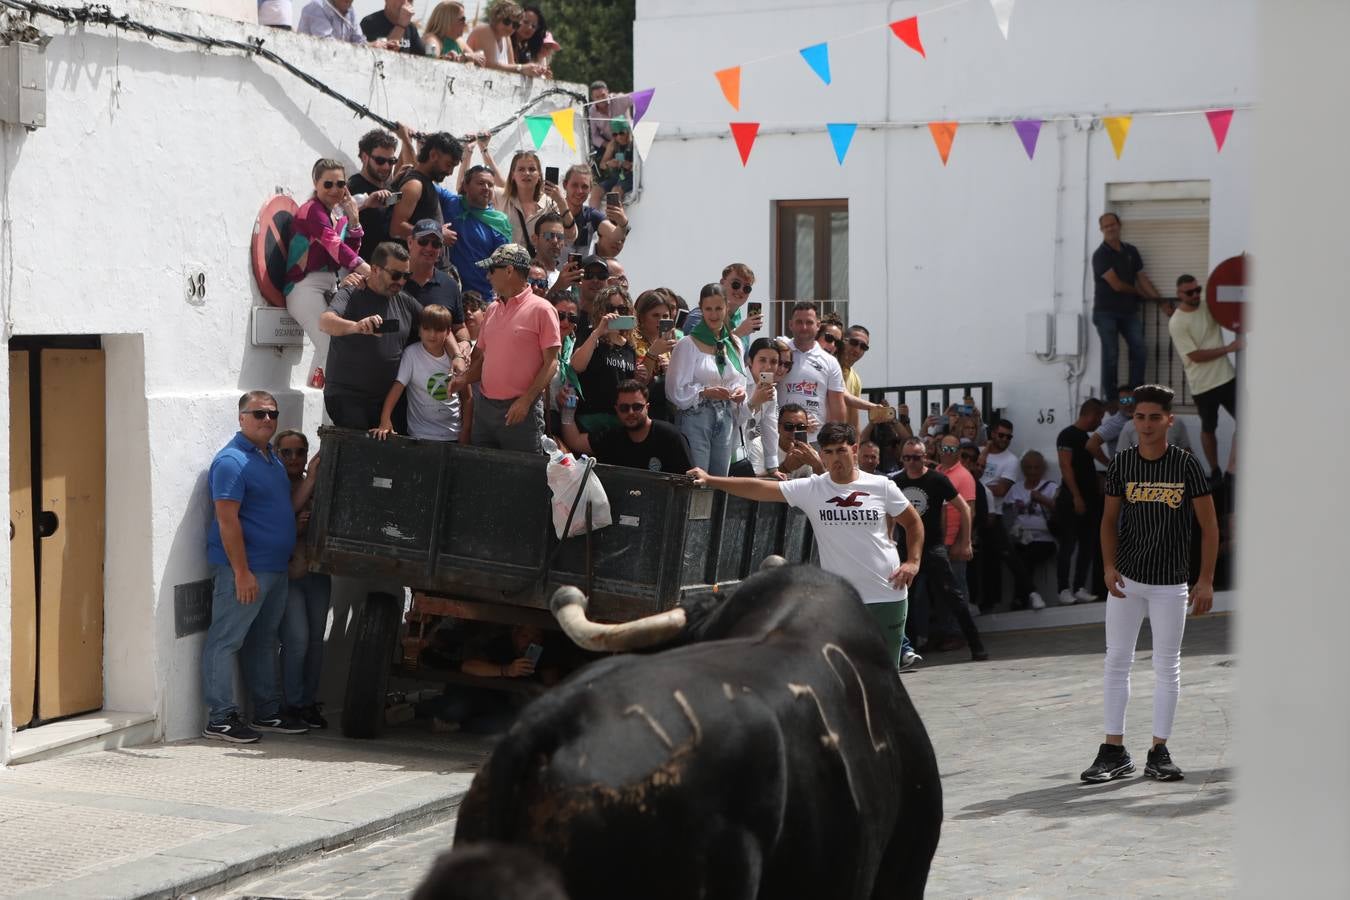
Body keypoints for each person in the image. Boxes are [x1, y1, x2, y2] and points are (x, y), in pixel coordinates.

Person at [688, 422, 925, 668]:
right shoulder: (813, 488)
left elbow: (913, 522)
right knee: (846, 675)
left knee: (887, 675)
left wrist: (913, 562)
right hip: (841, 600)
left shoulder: (881, 486)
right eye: (829, 452)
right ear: (821, 454)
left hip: (887, 592)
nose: (836, 458)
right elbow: (759, 488)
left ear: (854, 450)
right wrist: (711, 479)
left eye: (841, 450)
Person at [1081, 384, 1219, 784]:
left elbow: (1209, 528)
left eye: (1154, 417)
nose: (1146, 424)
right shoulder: (1122, 464)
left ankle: (1159, 751)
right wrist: (1108, 567)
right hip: (1127, 579)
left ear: (1169, 420)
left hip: (1170, 583)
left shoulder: (1186, 465)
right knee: (1116, 661)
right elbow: (1108, 521)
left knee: (1166, 666)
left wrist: (1205, 580)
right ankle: (1113, 751)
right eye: (1139, 417)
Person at [201, 392, 308, 743]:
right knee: (225, 641)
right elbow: (226, 520)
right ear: (241, 417)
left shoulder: (272, 459)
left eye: (272, 414)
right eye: (259, 413)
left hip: (275, 569)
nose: (267, 420)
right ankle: (219, 718)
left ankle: (267, 712)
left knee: (263, 641)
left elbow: (281, 508)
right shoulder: (232, 461)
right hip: (246, 571)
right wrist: (241, 572)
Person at [450, 245, 561, 452]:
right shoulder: (491, 309)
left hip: (521, 414)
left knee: (520, 480)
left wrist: (526, 401)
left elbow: (552, 363)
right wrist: (463, 379)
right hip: (485, 410)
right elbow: (482, 358)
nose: (488, 275)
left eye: (492, 270)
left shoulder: (543, 309)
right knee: (482, 476)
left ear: (509, 271)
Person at [892, 438, 987, 661]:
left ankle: (976, 644)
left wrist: (965, 542)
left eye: (916, 457)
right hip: (907, 550)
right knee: (906, 600)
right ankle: (907, 649)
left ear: (925, 456)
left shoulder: (937, 479)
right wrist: (890, 540)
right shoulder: (896, 482)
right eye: (907, 458)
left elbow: (964, 508)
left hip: (933, 548)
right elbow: (888, 513)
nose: (912, 462)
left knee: (953, 596)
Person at [283, 159, 370, 384]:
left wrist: (353, 220)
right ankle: (331, 412)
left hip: (328, 286)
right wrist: (368, 270)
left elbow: (346, 253)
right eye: (328, 184)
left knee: (331, 351)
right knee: (332, 347)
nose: (334, 190)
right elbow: (334, 245)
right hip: (304, 288)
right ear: (316, 183)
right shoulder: (312, 210)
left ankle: (317, 402)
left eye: (340, 184)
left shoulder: (336, 215)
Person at [319, 242, 424, 429]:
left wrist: (459, 349)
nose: (401, 281)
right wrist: (356, 327)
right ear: (375, 269)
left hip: (386, 402)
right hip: (349, 398)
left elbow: (433, 323)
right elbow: (326, 322)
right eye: (396, 275)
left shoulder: (404, 300)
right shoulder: (352, 292)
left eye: (406, 276)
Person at [275, 429, 330, 730]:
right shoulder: (277, 483)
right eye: (287, 452)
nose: (295, 458)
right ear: (277, 454)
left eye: (300, 452)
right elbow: (281, 523)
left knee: (315, 642)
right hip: (291, 574)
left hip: (318, 573)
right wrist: (296, 527)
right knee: (296, 640)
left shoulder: (319, 481)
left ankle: (308, 702)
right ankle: (292, 703)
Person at [1168, 273, 1242, 481]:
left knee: (1248, 420)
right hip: (1203, 385)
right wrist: (1228, 348)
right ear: (1179, 294)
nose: (1195, 295)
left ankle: (1231, 468)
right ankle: (1215, 470)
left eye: (1197, 290)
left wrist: (1238, 269)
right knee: (1209, 428)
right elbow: (1195, 356)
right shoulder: (1177, 322)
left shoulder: (1207, 305)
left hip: (1227, 377)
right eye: (1189, 292)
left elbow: (1227, 296)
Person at [668, 283, 748, 475]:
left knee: (720, 479)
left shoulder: (734, 343)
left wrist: (739, 391)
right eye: (708, 309)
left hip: (726, 414)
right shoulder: (687, 344)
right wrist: (704, 391)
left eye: (718, 308)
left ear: (727, 307)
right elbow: (674, 390)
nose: (714, 314)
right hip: (696, 415)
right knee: (697, 478)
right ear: (701, 309)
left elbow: (739, 378)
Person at [371, 304, 471, 443]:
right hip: (420, 435)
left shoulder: (456, 360)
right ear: (419, 330)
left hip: (453, 434)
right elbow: (397, 388)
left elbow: (467, 397)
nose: (432, 334)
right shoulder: (411, 354)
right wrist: (385, 420)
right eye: (426, 328)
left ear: (448, 332)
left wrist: (465, 430)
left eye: (439, 329)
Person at [1092, 212, 1163, 399]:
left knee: (1139, 349)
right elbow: (1116, 285)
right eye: (1106, 226)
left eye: (1112, 224)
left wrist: (1161, 302)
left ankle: (1133, 395)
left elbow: (1143, 279)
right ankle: (1113, 399)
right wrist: (1139, 292)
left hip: (1129, 311)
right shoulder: (1100, 255)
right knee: (1111, 355)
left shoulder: (1131, 251)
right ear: (1101, 230)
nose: (1110, 228)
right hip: (1106, 312)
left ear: (1119, 225)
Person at [559, 380, 693, 473]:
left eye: (637, 407)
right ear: (616, 410)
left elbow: (689, 479)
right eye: (624, 408)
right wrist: (567, 411)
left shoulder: (670, 437)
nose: (630, 412)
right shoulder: (612, 437)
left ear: (647, 407)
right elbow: (575, 441)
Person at [1056, 398, 1106, 606]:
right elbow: (1065, 467)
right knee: (1068, 545)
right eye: (1100, 418)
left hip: (1090, 499)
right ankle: (1063, 589)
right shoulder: (1067, 435)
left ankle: (1079, 587)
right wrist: (1076, 496)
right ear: (1091, 415)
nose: (1100, 422)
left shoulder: (1086, 439)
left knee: (1087, 544)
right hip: (1072, 499)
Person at [437, 164, 511, 299]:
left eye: (490, 185)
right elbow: (423, 179)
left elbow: (501, 263)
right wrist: (437, 232)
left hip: (480, 298)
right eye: (481, 183)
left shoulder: (499, 222)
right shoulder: (451, 202)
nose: (486, 188)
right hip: (446, 292)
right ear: (465, 186)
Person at [570, 287, 638, 433]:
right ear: (600, 311)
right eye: (610, 308)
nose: (616, 314)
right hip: (590, 419)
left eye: (622, 309)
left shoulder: (629, 347)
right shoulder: (589, 335)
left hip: (619, 420)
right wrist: (598, 332)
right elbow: (576, 366)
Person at [778, 301, 847, 444]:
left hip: (815, 441)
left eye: (809, 322)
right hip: (779, 439)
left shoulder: (830, 362)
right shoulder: (778, 352)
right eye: (799, 322)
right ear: (790, 324)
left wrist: (834, 443)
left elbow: (837, 410)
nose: (804, 327)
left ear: (818, 325)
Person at [347, 126, 415, 259]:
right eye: (380, 161)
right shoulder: (354, 186)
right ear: (365, 157)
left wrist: (407, 142)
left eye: (391, 161)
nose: (386, 167)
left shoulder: (388, 186)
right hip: (364, 269)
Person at [1002, 450, 1058, 611]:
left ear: (1042, 468)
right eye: (1028, 468)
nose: (1032, 471)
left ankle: (1022, 599)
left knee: (1024, 559)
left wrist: (1043, 499)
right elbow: (1006, 510)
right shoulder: (1016, 488)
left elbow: (1061, 509)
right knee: (1013, 556)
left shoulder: (1051, 487)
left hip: (1044, 540)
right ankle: (1029, 596)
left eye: (1036, 468)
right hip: (1021, 538)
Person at [389, 131, 464, 248]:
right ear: (433, 155)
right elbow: (396, 228)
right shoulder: (415, 185)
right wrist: (437, 234)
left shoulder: (426, 182)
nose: (450, 172)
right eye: (448, 165)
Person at [975, 419, 1020, 612]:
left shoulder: (1011, 460)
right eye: (1001, 435)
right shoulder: (978, 451)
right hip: (973, 512)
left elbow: (1001, 489)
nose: (1005, 439)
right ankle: (981, 602)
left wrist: (976, 488)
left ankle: (993, 602)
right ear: (992, 433)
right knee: (979, 562)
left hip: (995, 514)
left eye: (1009, 437)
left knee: (999, 558)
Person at [403, 219, 468, 349]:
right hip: (397, 366)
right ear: (410, 242)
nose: (429, 247)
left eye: (436, 243)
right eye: (423, 241)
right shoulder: (393, 279)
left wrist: (464, 342)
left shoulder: (449, 285)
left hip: (437, 366)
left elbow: (459, 327)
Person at [493, 150, 572, 253]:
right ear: (513, 175)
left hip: (537, 267)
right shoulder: (500, 197)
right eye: (521, 169)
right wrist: (470, 153)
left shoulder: (550, 204)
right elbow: (469, 189)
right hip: (506, 267)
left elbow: (570, 237)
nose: (526, 173)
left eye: (532, 169)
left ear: (539, 175)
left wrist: (561, 201)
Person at [936, 433, 979, 618]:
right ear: (939, 449)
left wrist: (962, 543)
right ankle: (947, 631)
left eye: (952, 449)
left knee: (957, 588)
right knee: (942, 591)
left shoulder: (964, 476)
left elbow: (969, 511)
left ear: (959, 452)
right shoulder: (936, 471)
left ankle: (959, 633)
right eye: (944, 448)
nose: (947, 452)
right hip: (938, 541)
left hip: (954, 541)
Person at [738, 337, 784, 476]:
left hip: (746, 452)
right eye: (762, 360)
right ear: (750, 361)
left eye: (774, 362)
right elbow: (734, 422)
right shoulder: (739, 381)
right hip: (728, 450)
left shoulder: (772, 391)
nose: (768, 366)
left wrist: (773, 468)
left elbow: (770, 428)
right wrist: (754, 402)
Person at [465, 0, 544, 76]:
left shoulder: (506, 38)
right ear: (497, 18)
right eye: (507, 21)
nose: (510, 27)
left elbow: (511, 66)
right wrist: (522, 68)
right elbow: (491, 65)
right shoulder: (485, 30)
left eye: (515, 25)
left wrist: (534, 71)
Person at [361, 0, 427, 54]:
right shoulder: (370, 22)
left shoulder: (411, 28)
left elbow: (426, 57)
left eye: (410, 0)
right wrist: (401, 25)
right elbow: (383, 55)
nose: (405, 3)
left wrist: (433, 40)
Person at [839, 325, 871, 431]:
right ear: (843, 340)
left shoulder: (856, 378)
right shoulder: (828, 366)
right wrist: (873, 407)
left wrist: (856, 447)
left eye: (863, 347)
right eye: (854, 343)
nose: (857, 349)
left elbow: (854, 421)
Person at [512, 6, 559, 73]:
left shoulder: (524, 50)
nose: (529, 27)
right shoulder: (506, 39)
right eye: (525, 22)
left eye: (534, 26)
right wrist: (522, 68)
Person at [598, 119, 636, 197]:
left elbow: (642, 166)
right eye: (615, 134)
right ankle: (593, 209)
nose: (619, 137)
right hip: (616, 177)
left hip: (630, 177)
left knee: (615, 191)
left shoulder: (634, 144)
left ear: (627, 131)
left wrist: (629, 165)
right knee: (596, 190)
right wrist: (609, 164)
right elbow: (602, 164)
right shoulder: (613, 145)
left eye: (621, 133)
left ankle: (615, 209)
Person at [297, 0, 365, 42]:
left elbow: (359, 40)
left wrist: (369, 46)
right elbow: (326, 43)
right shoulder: (317, 7)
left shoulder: (350, 11)